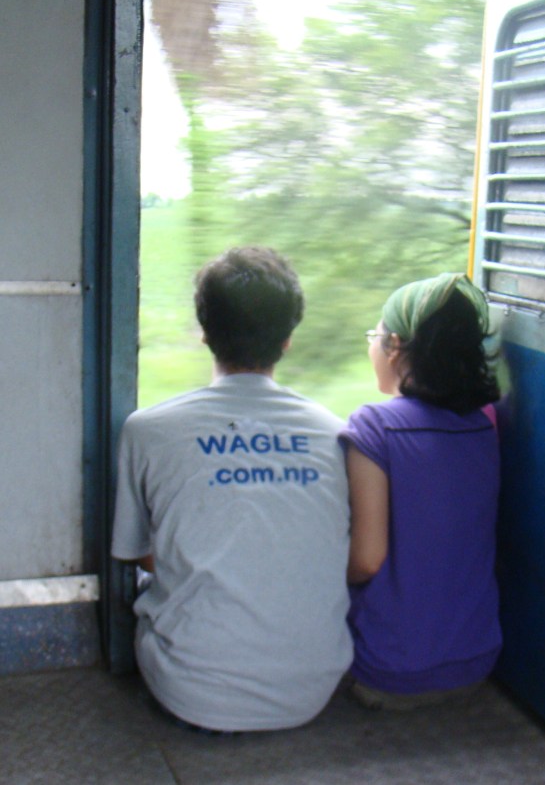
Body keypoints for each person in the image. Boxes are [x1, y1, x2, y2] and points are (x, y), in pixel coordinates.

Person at [111, 246, 352, 732]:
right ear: (287, 340)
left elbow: (138, 553)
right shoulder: (336, 433)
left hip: (188, 690)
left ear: (204, 332)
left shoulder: (147, 430)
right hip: (312, 690)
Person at [339, 272, 502, 710]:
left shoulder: (374, 427)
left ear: (394, 347)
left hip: (388, 674)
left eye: (375, 336)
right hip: (477, 663)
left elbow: (367, 560)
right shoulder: (486, 421)